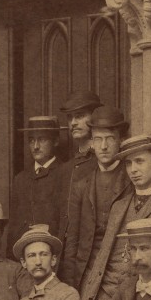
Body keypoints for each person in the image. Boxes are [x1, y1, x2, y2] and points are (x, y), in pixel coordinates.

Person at [76, 133, 151, 300]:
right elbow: (103, 256)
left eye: (139, 162)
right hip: (105, 296)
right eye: (129, 163)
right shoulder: (118, 206)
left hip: (143, 295)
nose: (133, 170)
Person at [62, 106, 131, 288]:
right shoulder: (81, 186)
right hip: (87, 274)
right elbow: (73, 241)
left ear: (121, 141)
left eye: (110, 139)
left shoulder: (131, 182)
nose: (104, 146)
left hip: (121, 276)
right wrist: (71, 286)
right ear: (91, 142)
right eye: (98, 139)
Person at [8, 116, 69, 249]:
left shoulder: (67, 173)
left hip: (55, 253)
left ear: (56, 141)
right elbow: (13, 226)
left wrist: (51, 229)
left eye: (42, 139)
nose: (35, 146)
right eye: (31, 140)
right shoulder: (20, 179)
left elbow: (73, 221)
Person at [57, 90, 102, 225]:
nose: (73, 123)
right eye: (70, 117)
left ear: (94, 118)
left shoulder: (104, 162)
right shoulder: (66, 169)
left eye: (79, 116)